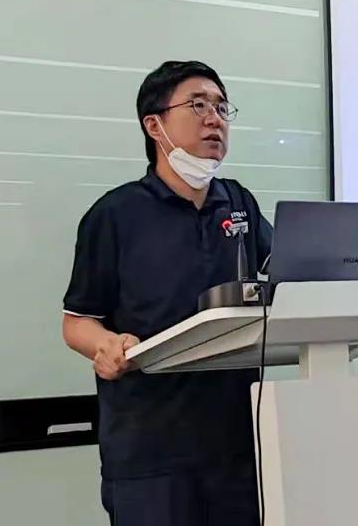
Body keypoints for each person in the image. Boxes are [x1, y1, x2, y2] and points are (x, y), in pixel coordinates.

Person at [61, 61, 270, 525]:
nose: (214, 118)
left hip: (236, 447)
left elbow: (292, 277)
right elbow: (77, 322)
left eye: (221, 107)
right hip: (150, 453)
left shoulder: (238, 203)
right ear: (154, 126)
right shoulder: (116, 215)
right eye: (198, 105)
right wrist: (106, 344)